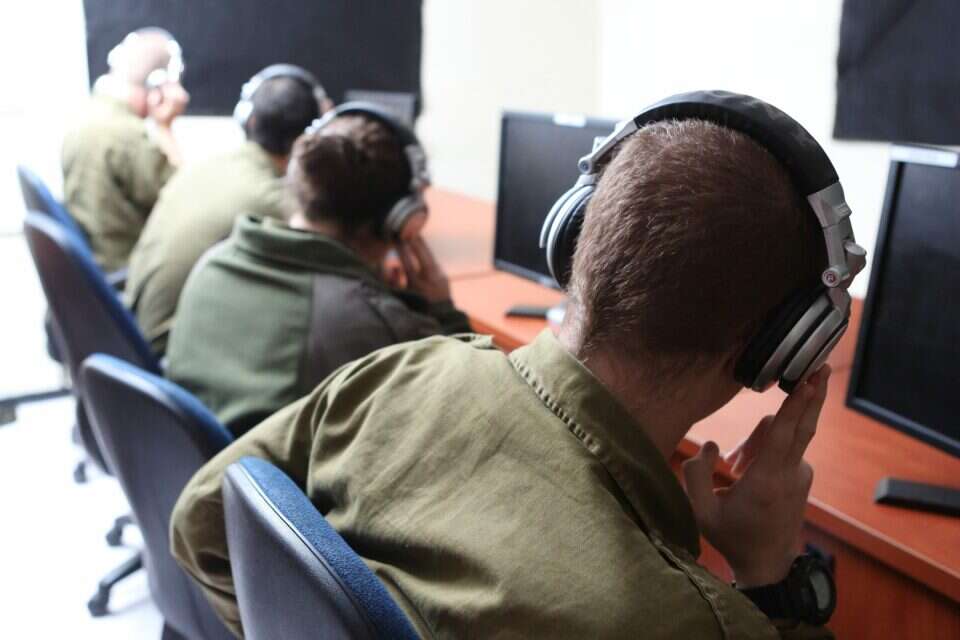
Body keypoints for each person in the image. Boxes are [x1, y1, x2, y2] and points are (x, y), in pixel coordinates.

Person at [171, 93, 864, 638]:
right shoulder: (687, 621)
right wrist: (767, 575)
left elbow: (201, 519)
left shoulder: (393, 373)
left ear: (575, 233)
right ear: (779, 346)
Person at [165, 104, 471, 436]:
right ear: (396, 218)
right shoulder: (369, 322)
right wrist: (442, 310)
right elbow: (472, 402)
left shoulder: (213, 263)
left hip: (207, 464)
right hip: (290, 469)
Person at [125, 65, 331, 355]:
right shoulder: (272, 202)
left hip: (130, 328)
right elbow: (335, 253)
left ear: (249, 119)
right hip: (166, 349)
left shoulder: (210, 164)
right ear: (306, 141)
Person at [61, 27, 188, 272]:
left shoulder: (86, 116)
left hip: (95, 263)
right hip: (125, 268)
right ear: (157, 84)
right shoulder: (128, 137)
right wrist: (165, 128)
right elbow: (186, 202)